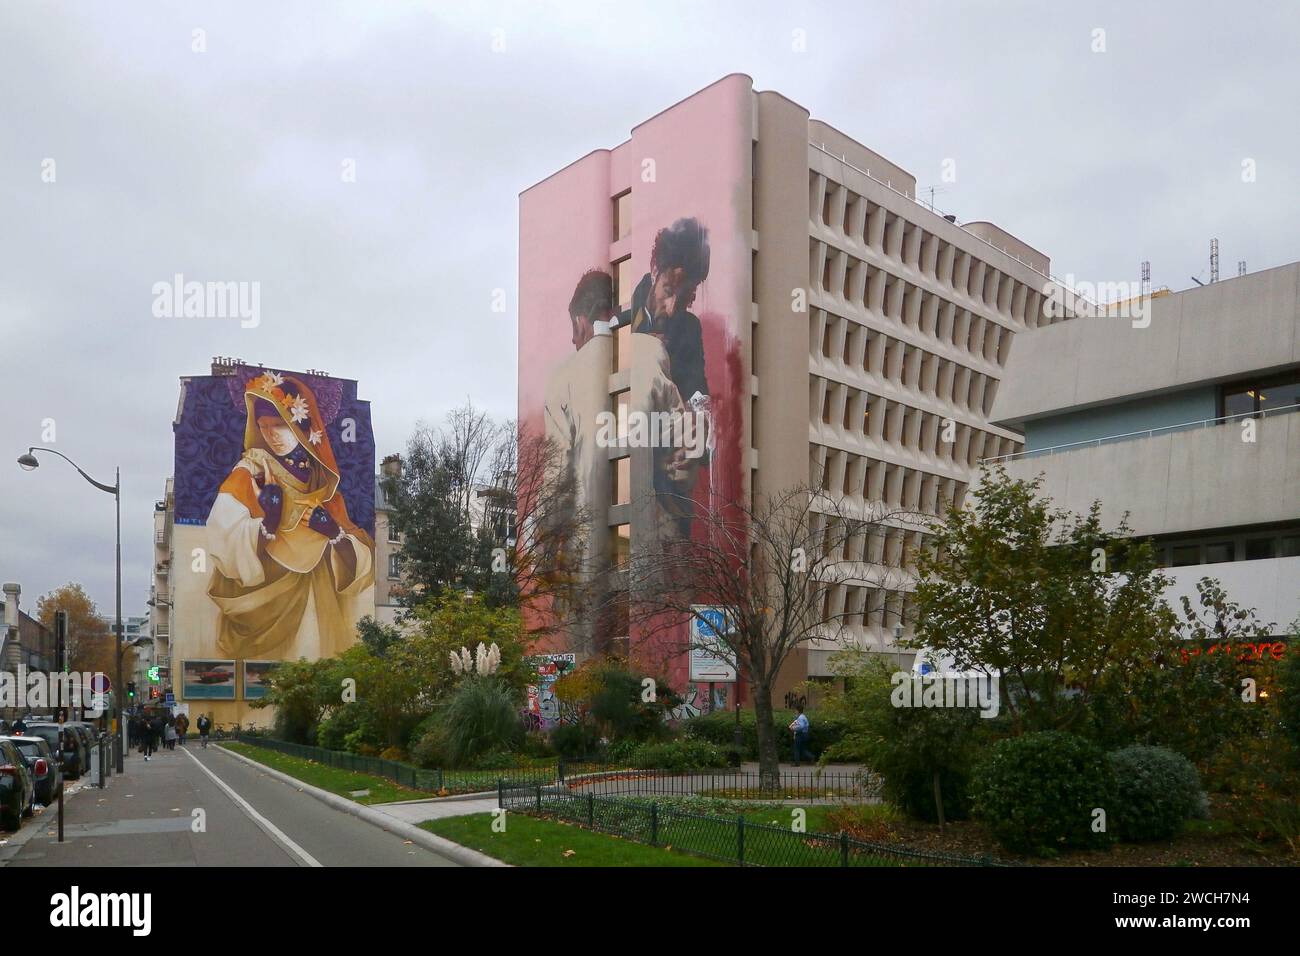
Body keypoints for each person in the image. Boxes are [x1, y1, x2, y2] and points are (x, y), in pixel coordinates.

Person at [205, 370, 375, 661]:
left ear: (301, 424)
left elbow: (366, 565)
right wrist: (267, 524)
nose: (272, 435)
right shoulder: (251, 473)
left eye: (280, 425)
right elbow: (222, 541)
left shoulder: (322, 483)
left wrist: (336, 535)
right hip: (264, 609)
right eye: (264, 426)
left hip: (318, 601)